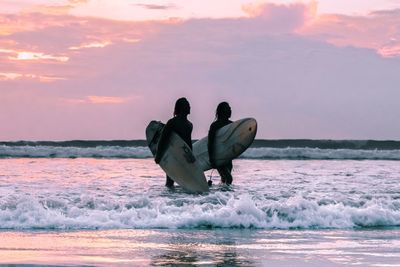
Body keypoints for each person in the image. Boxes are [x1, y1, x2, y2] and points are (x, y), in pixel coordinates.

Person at [155, 97, 193, 187]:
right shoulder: (172, 122)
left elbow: (188, 142)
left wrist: (191, 156)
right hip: (173, 156)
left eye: (189, 105)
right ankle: (169, 197)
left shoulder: (190, 124)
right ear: (181, 108)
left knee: (185, 181)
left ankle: (179, 197)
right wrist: (158, 155)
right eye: (187, 105)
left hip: (184, 156)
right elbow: (163, 139)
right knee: (170, 181)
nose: (189, 107)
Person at [208, 102, 233, 185]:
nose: (230, 110)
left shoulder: (231, 124)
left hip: (228, 158)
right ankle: (222, 195)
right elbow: (210, 143)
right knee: (229, 179)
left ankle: (222, 196)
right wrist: (212, 159)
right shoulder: (215, 125)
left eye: (230, 108)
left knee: (224, 179)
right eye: (228, 108)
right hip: (219, 157)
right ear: (222, 111)